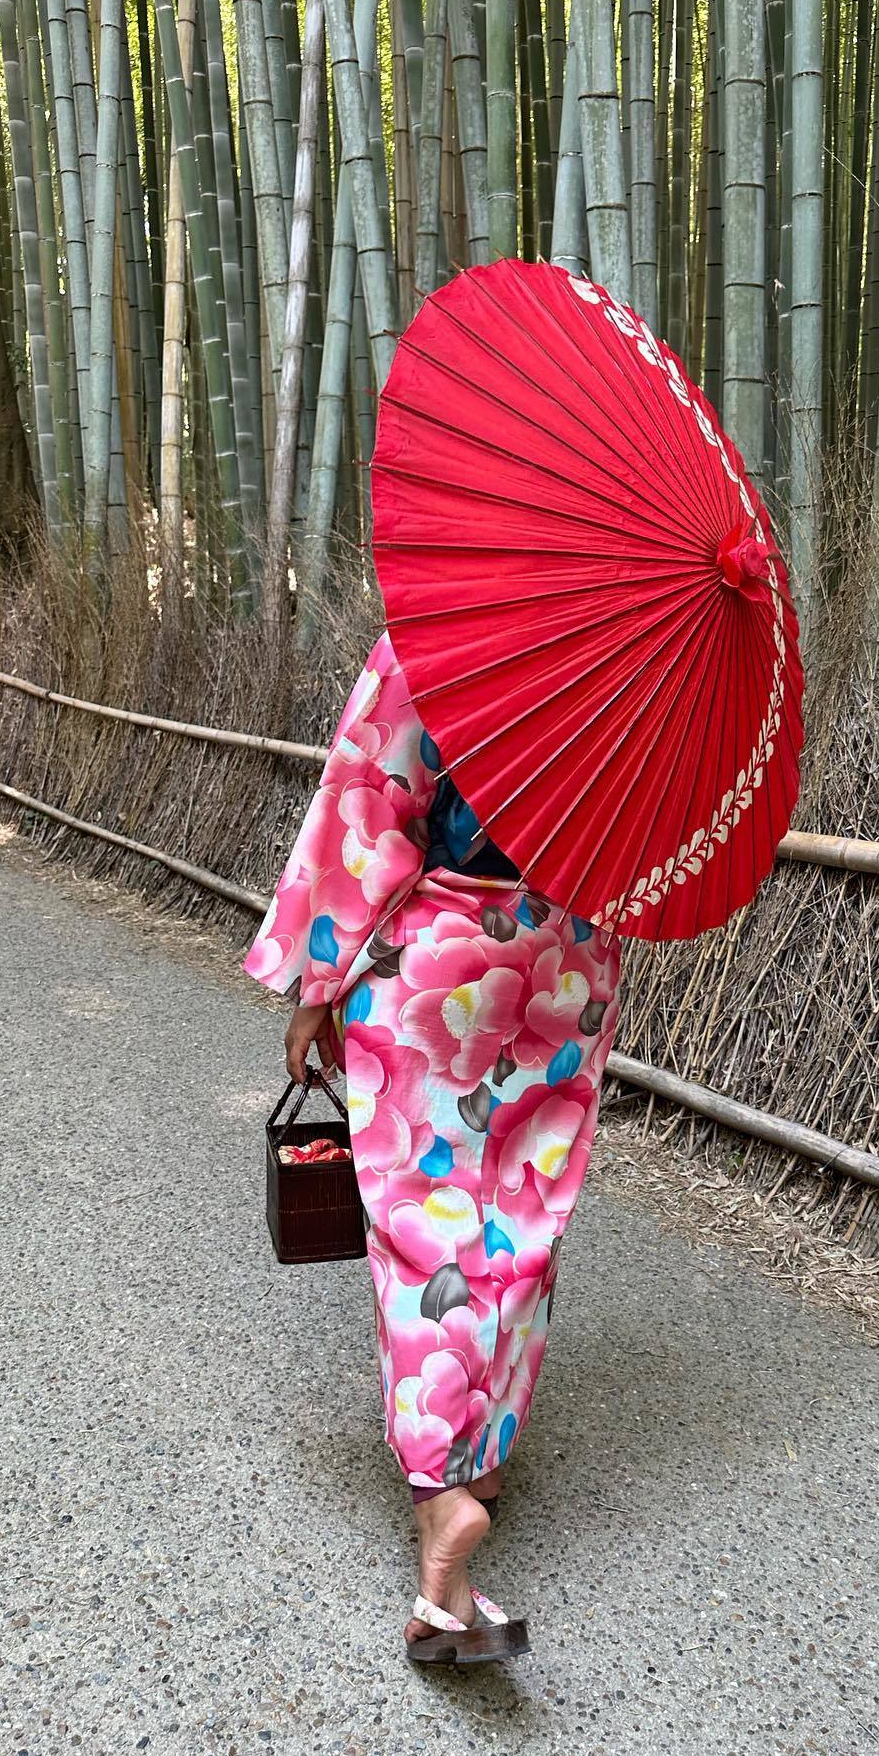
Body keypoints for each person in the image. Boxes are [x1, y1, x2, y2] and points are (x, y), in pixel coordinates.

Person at [244, 632, 621, 1664]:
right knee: (522, 1211)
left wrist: (316, 986)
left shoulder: (447, 627)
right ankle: (482, 1452)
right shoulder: (625, 649)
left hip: (442, 951)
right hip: (567, 953)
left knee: (427, 1223)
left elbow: (371, 807)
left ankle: (443, 1505)